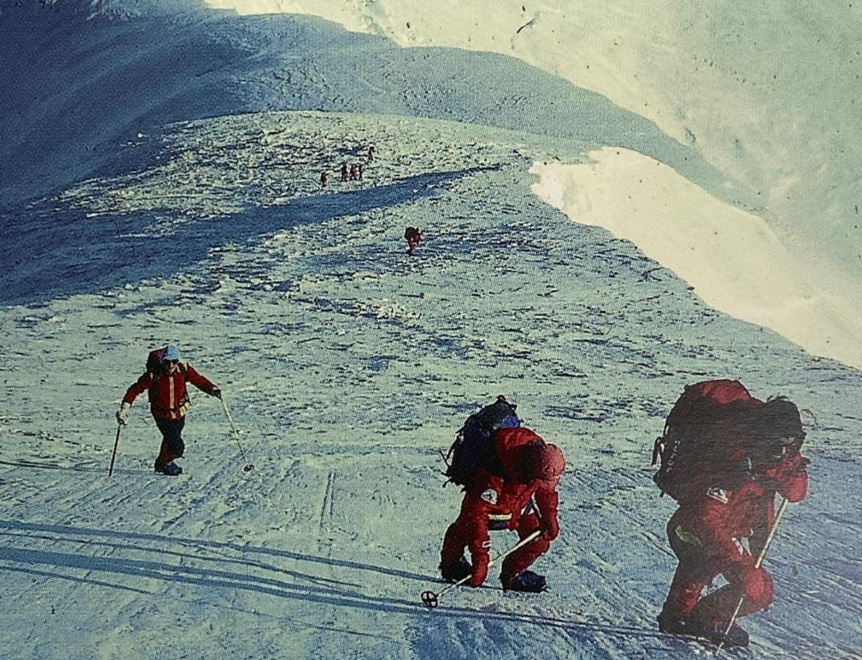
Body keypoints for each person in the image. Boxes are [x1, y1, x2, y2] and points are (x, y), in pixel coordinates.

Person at [657, 397, 809, 647]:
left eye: (792, 447)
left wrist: (795, 478)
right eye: (777, 446)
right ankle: (691, 618)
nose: (783, 454)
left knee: (756, 588)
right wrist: (735, 560)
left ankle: (699, 617)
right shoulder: (732, 462)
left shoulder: (775, 459)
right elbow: (706, 517)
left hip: (726, 531)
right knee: (714, 569)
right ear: (762, 438)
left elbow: (795, 487)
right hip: (694, 529)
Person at [439, 427, 565, 592]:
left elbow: (545, 490)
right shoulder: (494, 472)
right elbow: (476, 515)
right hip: (486, 508)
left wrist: (549, 516)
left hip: (518, 504)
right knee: (463, 530)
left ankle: (513, 574)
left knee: (539, 540)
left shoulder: (537, 458)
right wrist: (481, 559)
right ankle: (452, 566)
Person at [116, 345, 221, 476]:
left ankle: (163, 464)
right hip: (162, 414)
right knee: (177, 447)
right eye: (167, 362)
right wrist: (125, 408)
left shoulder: (183, 370)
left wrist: (212, 389)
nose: (171, 365)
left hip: (180, 412)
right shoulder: (153, 375)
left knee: (169, 440)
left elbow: (198, 380)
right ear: (162, 361)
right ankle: (164, 462)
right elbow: (135, 389)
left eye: (174, 361)